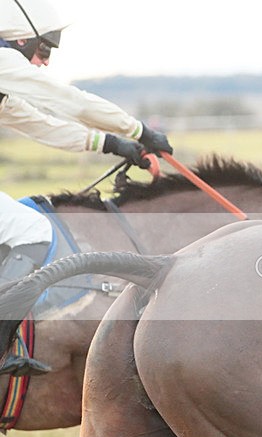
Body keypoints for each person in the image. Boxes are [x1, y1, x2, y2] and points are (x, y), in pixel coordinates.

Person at [0, 0, 173, 284]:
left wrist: (113, 144)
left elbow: (41, 125)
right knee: (34, 231)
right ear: (21, 39)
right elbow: (72, 103)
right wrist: (138, 130)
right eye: (44, 49)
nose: (44, 62)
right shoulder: (4, 60)